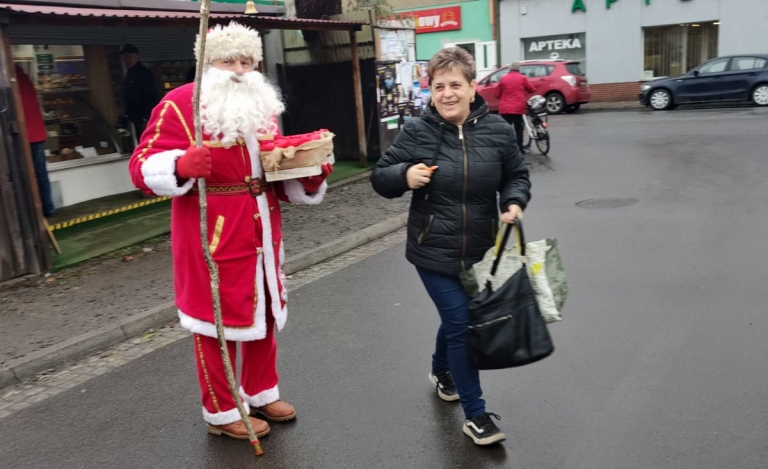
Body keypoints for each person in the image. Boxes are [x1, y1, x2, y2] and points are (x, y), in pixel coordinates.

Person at [128, 22, 333, 441]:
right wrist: (180, 166)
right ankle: (221, 410)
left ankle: (260, 390)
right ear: (207, 63)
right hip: (211, 231)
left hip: (262, 225)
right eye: (228, 60)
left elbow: (274, 170)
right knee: (214, 322)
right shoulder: (180, 103)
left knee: (265, 311)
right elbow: (140, 166)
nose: (239, 69)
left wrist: (309, 173)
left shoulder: (262, 105)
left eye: (246, 61)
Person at [370, 47, 531, 446]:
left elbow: (516, 174)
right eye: (438, 86)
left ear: (472, 87)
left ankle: (441, 370)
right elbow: (380, 176)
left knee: (457, 319)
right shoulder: (417, 131)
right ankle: (476, 415)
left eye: (455, 84)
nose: (446, 93)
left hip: (481, 249)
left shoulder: (496, 131)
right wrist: (405, 175)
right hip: (432, 251)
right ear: (431, 90)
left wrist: (513, 202)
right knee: (463, 323)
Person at [15, 65, 55, 217]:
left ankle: (31, 210)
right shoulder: (26, 81)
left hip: (24, 136)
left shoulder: (10, 84)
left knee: (24, 174)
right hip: (37, 134)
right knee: (41, 173)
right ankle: (48, 207)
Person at [494, 62, 534, 153]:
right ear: (518, 69)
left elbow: (496, 94)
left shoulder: (503, 78)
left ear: (510, 69)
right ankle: (519, 148)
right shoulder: (522, 78)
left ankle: (506, 149)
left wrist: (504, 98)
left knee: (506, 129)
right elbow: (531, 89)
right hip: (518, 108)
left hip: (505, 109)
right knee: (519, 129)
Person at [120, 44, 159, 138]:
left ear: (136, 56)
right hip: (135, 116)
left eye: (129, 56)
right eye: (125, 56)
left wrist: (146, 117)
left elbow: (151, 95)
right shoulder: (130, 72)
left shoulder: (143, 73)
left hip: (144, 116)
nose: (127, 59)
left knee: (147, 139)